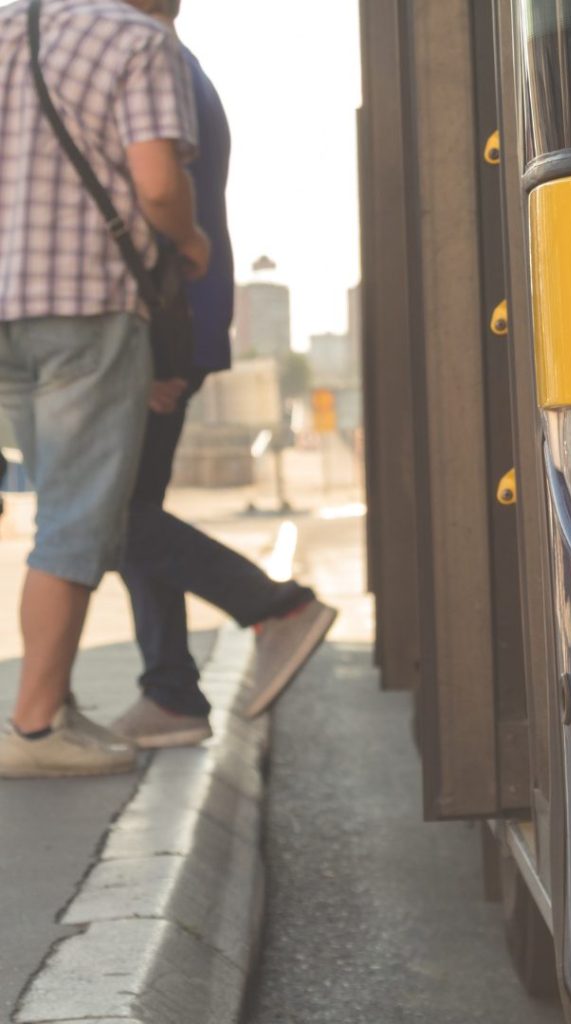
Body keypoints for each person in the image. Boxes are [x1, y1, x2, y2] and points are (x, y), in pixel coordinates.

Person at [111, 0, 337, 749]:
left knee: (114, 518)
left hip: (162, 330)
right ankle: (171, 691)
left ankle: (275, 607)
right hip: (174, 325)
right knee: (130, 510)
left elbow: (164, 207)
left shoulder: (158, 66)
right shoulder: (182, 67)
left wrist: (163, 353)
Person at [0, 0, 210, 777]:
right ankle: (31, 730)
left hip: (6, 310)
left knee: (61, 512)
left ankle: (50, 706)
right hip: (85, 302)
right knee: (78, 522)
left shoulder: (9, 27)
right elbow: (156, 184)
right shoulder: (136, 39)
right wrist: (189, 241)